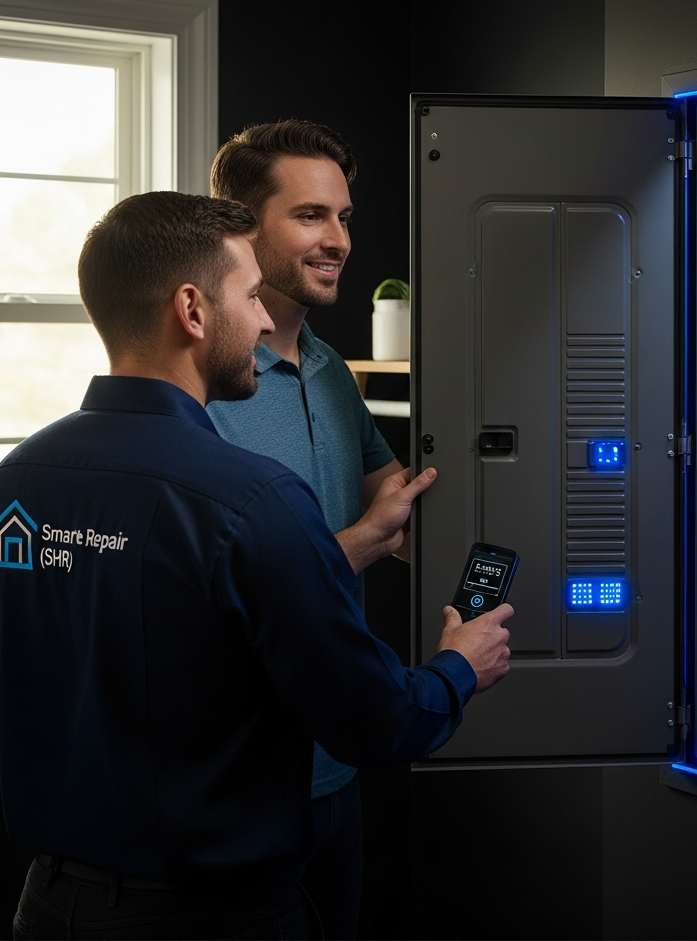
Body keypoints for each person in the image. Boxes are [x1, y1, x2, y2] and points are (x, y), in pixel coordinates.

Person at [0, 192, 514, 939]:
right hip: (210, 920)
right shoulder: (249, 499)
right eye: (248, 297)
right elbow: (376, 722)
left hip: (48, 909)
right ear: (192, 309)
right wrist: (458, 665)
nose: (267, 320)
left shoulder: (19, 479)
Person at [206, 119, 402, 937]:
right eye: (311, 216)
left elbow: (393, 491)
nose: (339, 240)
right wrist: (361, 542)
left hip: (337, 773)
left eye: (345, 217)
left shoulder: (330, 370)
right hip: (238, 790)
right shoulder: (201, 391)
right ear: (244, 228)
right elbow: (215, 591)